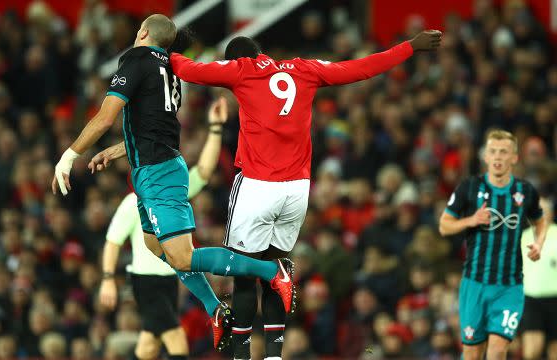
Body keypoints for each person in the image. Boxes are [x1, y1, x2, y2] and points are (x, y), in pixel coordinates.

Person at [167, 31, 442, 360]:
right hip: (297, 190)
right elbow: (361, 67)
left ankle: (240, 356)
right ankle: (272, 355)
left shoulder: (242, 70)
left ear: (237, 58)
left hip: (258, 185)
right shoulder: (304, 70)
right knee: (276, 269)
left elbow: (187, 70)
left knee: (243, 273)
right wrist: (410, 46)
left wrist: (163, 49)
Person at [50, 14, 295, 351]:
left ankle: (271, 271)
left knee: (181, 257)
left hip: (158, 172)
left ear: (143, 33)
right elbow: (153, 125)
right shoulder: (172, 68)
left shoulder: (135, 58)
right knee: (155, 247)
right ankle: (215, 310)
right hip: (156, 166)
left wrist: (69, 155)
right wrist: (119, 150)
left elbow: (106, 116)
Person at [95, 98, 228, 360]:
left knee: (149, 346)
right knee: (176, 339)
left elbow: (204, 170)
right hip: (147, 279)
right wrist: (108, 279)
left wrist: (215, 129)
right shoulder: (133, 202)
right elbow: (113, 241)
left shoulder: (173, 191)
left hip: (171, 278)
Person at [439, 129, 548, 360]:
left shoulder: (525, 191)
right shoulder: (469, 187)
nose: (498, 157)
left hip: (509, 287)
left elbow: (540, 220)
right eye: (493, 152)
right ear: (485, 157)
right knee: (471, 353)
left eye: (504, 152)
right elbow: (444, 225)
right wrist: (471, 220)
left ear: (514, 158)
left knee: (498, 350)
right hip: (475, 284)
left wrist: (539, 243)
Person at [520, 197, 557, 360]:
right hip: (531, 299)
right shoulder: (522, 237)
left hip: (555, 298)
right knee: (532, 351)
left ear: (551, 213)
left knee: (555, 351)